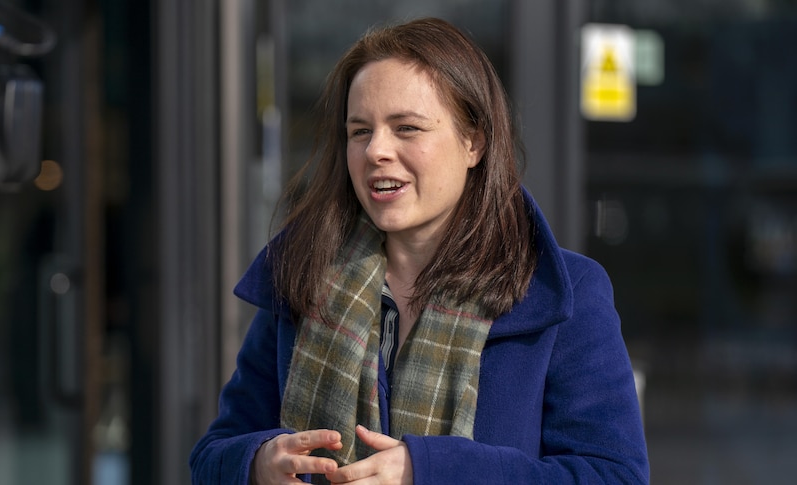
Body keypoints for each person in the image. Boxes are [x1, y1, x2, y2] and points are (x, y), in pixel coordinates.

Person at [190, 17, 649, 485]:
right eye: (359, 131)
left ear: (474, 141)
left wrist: (429, 471)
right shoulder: (304, 276)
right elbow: (212, 457)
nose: (376, 151)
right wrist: (259, 463)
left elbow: (613, 476)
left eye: (406, 128)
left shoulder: (562, 292)